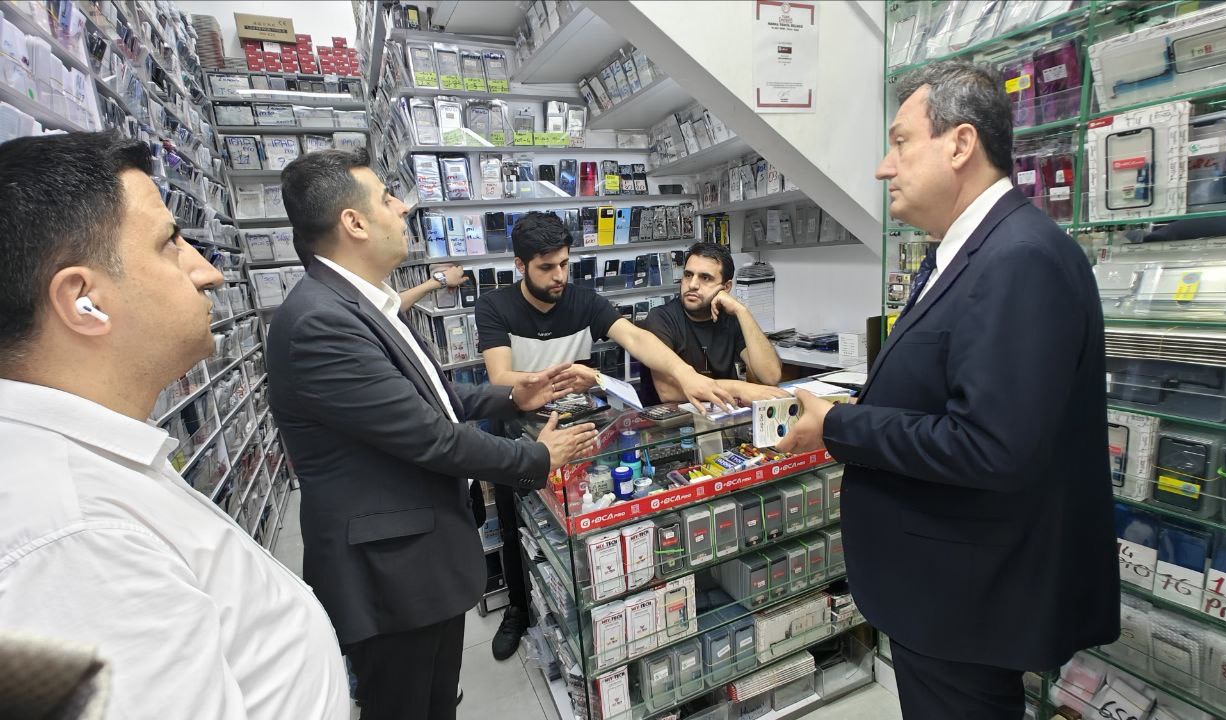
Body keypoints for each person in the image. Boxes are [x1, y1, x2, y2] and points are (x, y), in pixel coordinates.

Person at [777, 61, 1119, 719]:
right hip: (944, 594)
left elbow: (991, 445)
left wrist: (839, 426)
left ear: (960, 144)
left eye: (901, 143)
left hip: (968, 601)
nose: (884, 168)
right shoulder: (969, 251)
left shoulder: (1019, 258)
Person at [0, 132, 350, 719]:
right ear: (83, 300)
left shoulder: (83, 476)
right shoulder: (74, 540)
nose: (209, 273)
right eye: (170, 243)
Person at [268, 149, 597, 720]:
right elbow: (431, 437)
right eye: (387, 199)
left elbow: (429, 400)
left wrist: (512, 397)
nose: (402, 209)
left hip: (416, 565)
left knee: (435, 701)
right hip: (390, 578)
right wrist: (536, 457)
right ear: (354, 222)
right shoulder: (322, 320)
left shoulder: (359, 302)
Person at [474, 212, 737, 660]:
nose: (560, 276)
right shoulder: (494, 305)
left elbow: (637, 339)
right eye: (546, 267)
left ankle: (590, 609)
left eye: (564, 264)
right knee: (517, 523)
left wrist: (685, 374)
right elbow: (501, 377)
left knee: (576, 521)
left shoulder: (583, 300)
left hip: (577, 434)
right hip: (518, 434)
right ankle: (518, 609)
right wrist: (577, 377)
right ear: (520, 265)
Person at [637, 241, 785, 405]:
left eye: (705, 278)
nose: (692, 285)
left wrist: (741, 311)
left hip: (722, 415)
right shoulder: (661, 318)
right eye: (688, 275)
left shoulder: (731, 317)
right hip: (673, 418)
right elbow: (668, 392)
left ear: (726, 287)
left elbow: (770, 376)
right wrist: (738, 388)